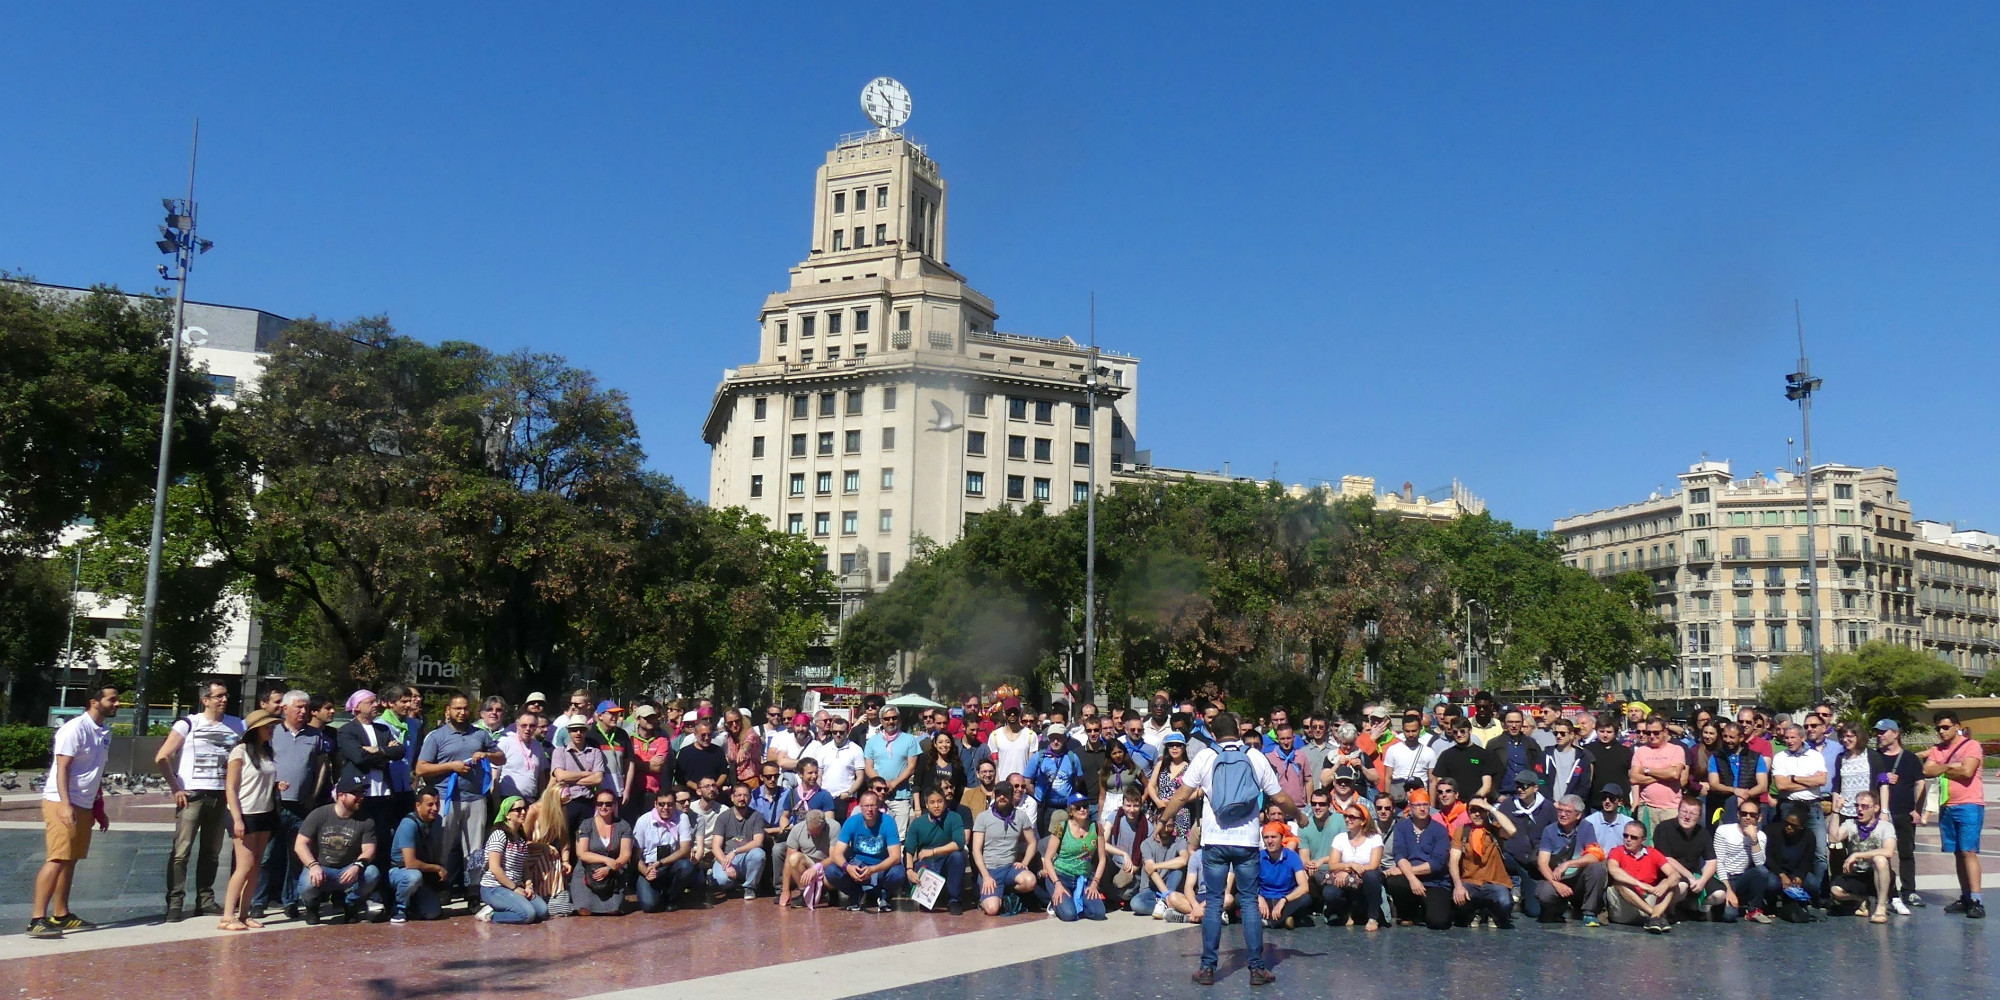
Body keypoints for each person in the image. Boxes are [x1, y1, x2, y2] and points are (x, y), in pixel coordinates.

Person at [1159, 711, 1300, 987]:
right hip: (1247, 841)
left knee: (1213, 902)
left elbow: (1181, 795)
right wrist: (1300, 816)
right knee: (1248, 902)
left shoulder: (1206, 756)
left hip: (1215, 840)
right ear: (1237, 730)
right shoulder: (1255, 756)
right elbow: (1280, 796)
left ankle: (1208, 968)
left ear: (1213, 733)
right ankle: (1257, 969)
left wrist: (1164, 819)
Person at [29, 685, 117, 939]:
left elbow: (95, 772)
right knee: (57, 857)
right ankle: (36, 918)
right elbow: (62, 768)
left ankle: (61, 914)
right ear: (94, 702)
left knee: (70, 859)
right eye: (112, 700)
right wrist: (66, 805)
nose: (117, 704)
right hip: (61, 801)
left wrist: (97, 807)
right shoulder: (74, 729)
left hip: (85, 803)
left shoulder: (103, 731)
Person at [155, 679, 245, 921]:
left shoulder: (236, 726)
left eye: (225, 696)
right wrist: (176, 787)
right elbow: (162, 756)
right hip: (193, 794)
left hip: (221, 794)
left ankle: (205, 899)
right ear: (205, 700)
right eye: (218, 696)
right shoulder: (188, 723)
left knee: (212, 852)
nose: (224, 700)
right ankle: (175, 902)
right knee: (181, 851)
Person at [415, 692, 503, 905]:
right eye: (457, 708)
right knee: (444, 845)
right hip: (446, 797)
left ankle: (473, 890)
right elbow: (421, 768)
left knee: (474, 848)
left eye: (465, 708)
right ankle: (441, 887)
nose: (462, 712)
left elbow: (501, 757)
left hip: (475, 798)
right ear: (448, 711)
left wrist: (487, 755)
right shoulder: (436, 737)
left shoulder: (480, 735)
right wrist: (450, 766)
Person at [254, 689, 324, 920]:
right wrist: (272, 784)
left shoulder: (315, 736)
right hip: (272, 805)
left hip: (301, 806)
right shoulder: (272, 733)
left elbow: (322, 765)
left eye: (306, 707)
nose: (303, 711)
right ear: (285, 708)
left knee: (297, 856)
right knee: (266, 856)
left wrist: (313, 794)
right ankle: (259, 901)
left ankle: (291, 900)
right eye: (298, 707)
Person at [220, 709, 282, 931]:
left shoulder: (267, 752)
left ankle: (244, 914)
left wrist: (277, 786)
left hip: (264, 812)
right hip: (244, 813)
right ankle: (228, 916)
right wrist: (237, 819)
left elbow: (261, 780)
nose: (272, 729)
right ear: (256, 729)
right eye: (268, 726)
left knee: (256, 865)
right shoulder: (240, 751)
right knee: (244, 865)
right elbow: (231, 786)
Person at [1923, 710, 1985, 918]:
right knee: (1957, 852)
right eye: (1938, 728)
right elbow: (1927, 771)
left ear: (1957, 726)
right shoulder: (1937, 749)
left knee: (1969, 851)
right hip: (1947, 806)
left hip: (1969, 804)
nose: (1941, 731)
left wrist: (1941, 767)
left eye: (1945, 727)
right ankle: (1966, 896)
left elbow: (1967, 772)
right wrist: (1951, 766)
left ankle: (1977, 900)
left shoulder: (1971, 745)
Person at [296, 776, 381, 924]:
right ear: (341, 796)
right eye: (356, 793)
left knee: (372, 873)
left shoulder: (366, 820)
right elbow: (300, 844)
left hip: (347, 870)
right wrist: (313, 865)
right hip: (321, 868)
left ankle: (350, 904)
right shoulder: (319, 814)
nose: (360, 797)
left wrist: (357, 866)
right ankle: (312, 907)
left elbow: (369, 850)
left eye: (362, 793)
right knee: (306, 884)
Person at [1871, 718, 1926, 912]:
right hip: (1880, 815)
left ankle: (1909, 890)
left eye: (1883, 732)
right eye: (1878, 732)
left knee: (1906, 852)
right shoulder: (1874, 757)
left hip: (1904, 812)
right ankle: (1885, 890)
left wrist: (1917, 809)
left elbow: (1920, 783)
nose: (1879, 735)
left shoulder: (1910, 758)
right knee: (1881, 854)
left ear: (1896, 733)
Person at [1770, 720, 1829, 897]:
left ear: (1802, 738)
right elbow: (1781, 785)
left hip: (1813, 807)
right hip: (1789, 806)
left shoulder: (1815, 756)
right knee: (1786, 850)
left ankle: (1816, 895)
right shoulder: (1780, 757)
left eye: (1793, 737)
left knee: (1819, 853)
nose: (1789, 741)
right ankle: (1787, 892)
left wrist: (1794, 779)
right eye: (1786, 738)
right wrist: (1808, 781)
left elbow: (1821, 781)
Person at [1384, 789, 1454, 930]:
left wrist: (1408, 873)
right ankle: (1408, 913)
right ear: (1410, 807)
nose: (1422, 808)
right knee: (1394, 881)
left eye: (1426, 805)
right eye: (1418, 805)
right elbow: (1400, 855)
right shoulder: (1402, 827)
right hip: (1410, 880)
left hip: (1435, 881)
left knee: (1437, 923)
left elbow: (1437, 863)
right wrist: (1412, 879)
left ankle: (1429, 908)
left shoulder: (1440, 830)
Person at [828, 790, 908, 912]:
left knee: (898, 872)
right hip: (857, 866)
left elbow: (896, 856)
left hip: (880, 867)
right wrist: (847, 867)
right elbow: (837, 853)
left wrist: (873, 870)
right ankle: (855, 894)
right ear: (860, 807)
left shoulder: (888, 822)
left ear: (878, 806)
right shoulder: (852, 821)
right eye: (866, 806)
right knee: (831, 870)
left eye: (872, 805)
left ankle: (884, 895)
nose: (869, 809)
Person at [1534, 794, 1606, 926]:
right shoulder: (1549, 831)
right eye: (1560, 811)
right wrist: (1556, 884)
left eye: (1568, 812)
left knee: (1597, 868)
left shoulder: (1586, 827)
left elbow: (1595, 856)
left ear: (1578, 815)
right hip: (1558, 878)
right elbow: (1542, 863)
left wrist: (1569, 863)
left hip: (1578, 877)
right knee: (1543, 893)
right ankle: (1559, 909)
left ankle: (1589, 912)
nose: (1562, 815)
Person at [1605, 819, 1689, 932]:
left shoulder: (1653, 853)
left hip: (1646, 899)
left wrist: (1666, 884)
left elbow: (1675, 875)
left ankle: (1654, 918)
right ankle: (1656, 916)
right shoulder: (1616, 851)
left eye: (1633, 837)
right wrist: (1640, 884)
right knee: (1620, 883)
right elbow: (1614, 871)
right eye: (1626, 835)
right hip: (1624, 907)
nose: (1628, 839)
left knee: (1670, 883)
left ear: (1643, 840)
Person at [971, 781, 1041, 915]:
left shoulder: (1020, 816)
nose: (1002, 797)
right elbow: (976, 850)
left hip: (1010, 868)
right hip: (990, 870)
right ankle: (989, 897)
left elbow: (1032, 842)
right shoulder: (983, 817)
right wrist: (985, 876)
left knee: (1030, 881)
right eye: (998, 794)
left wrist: (1024, 863)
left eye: (1006, 794)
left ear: (1012, 796)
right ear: (994, 795)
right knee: (992, 910)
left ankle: (1005, 893)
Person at [478, 795, 550, 924]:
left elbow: (525, 866)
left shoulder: (520, 838)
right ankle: (490, 914)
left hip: (515, 886)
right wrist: (514, 888)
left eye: (524, 808)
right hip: (494, 887)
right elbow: (495, 868)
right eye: (517, 809)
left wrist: (529, 886)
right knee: (527, 915)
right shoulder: (499, 834)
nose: (523, 812)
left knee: (542, 911)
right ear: (507, 814)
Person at [1449, 797, 1518, 929]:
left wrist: (1490, 807)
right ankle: (1476, 911)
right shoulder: (1462, 831)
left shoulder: (1495, 829)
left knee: (1505, 903)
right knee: (1458, 903)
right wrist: (1458, 886)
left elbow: (1512, 830)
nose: (1477, 814)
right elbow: (1453, 861)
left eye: (1481, 810)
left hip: (1495, 882)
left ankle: (1492, 912)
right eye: (1473, 810)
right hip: (1471, 882)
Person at [1828, 790, 1896, 923]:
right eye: (1857, 806)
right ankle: (1861, 900)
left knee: (1880, 859)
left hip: (1879, 873)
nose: (1860, 810)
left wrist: (1857, 855)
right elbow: (1833, 838)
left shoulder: (1885, 827)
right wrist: (1836, 811)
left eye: (1865, 806)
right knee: (1835, 890)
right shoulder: (1850, 824)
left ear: (1876, 808)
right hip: (1857, 874)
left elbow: (1889, 851)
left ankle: (1881, 907)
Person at [1652, 795, 1718, 921]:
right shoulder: (1664, 828)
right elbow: (1666, 858)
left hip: (1694, 876)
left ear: (1699, 817)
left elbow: (1711, 860)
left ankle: (1689, 907)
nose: (1687, 817)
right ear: (1678, 810)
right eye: (1684, 812)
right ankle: (1669, 911)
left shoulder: (1703, 833)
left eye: (1693, 814)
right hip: (1670, 874)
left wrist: (1703, 880)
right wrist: (1690, 877)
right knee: (1681, 886)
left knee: (1719, 895)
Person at [388, 788, 449, 923]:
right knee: (413, 877)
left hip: (423, 872)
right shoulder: (408, 824)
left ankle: (413, 903)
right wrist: (437, 869)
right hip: (400, 871)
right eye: (430, 804)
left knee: (432, 913)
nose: (435, 808)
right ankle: (398, 908)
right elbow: (410, 863)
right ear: (418, 805)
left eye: (437, 804)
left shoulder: (437, 821)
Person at [1045, 794, 1109, 921]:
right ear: (1071, 811)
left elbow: (1102, 858)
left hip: (1083, 878)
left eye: (1085, 806)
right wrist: (1057, 884)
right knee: (1069, 915)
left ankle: (1076, 900)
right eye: (1078, 807)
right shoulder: (1062, 827)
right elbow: (1047, 859)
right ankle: (1057, 903)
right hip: (1061, 876)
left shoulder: (1096, 827)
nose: (1082, 810)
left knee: (1098, 913)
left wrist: (1095, 883)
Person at [1499, 773, 1553, 919]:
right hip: (1510, 857)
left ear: (1535, 787)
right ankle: (1502, 896)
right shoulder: (1508, 805)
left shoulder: (1547, 808)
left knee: (1534, 911)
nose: (1520, 789)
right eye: (1518, 785)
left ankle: (1525, 896)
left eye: (1525, 786)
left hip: (1532, 863)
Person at [633, 790, 698, 912]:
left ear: (674, 804)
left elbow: (685, 850)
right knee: (649, 906)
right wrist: (646, 871)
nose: (666, 808)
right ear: (655, 804)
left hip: (670, 864)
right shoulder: (643, 820)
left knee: (686, 866)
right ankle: (658, 894)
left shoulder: (682, 818)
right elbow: (636, 855)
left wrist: (661, 862)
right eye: (661, 804)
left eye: (670, 804)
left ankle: (671, 898)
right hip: (649, 866)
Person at [905, 788, 968, 913]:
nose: (936, 806)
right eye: (932, 802)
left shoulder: (954, 817)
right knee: (925, 906)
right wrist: (909, 870)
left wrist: (933, 851)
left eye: (940, 801)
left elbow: (959, 843)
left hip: (946, 860)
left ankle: (954, 900)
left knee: (958, 856)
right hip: (927, 864)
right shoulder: (918, 823)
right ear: (927, 805)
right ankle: (926, 899)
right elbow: (909, 849)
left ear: (945, 802)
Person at [1322, 802, 1384, 929]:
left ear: (1362, 821)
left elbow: (1373, 865)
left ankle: (1373, 918)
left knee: (1371, 876)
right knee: (1329, 892)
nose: (1347, 819)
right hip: (1346, 879)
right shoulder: (1340, 838)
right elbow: (1332, 865)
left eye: (1352, 817)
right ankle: (1345, 913)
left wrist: (1349, 870)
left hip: (1365, 878)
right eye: (1346, 816)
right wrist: (1350, 865)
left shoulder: (1374, 838)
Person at [572, 789, 634, 915]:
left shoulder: (623, 826)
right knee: (585, 911)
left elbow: (625, 855)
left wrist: (609, 868)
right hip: (586, 872)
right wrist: (606, 860)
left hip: (612, 873)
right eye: (600, 803)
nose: (604, 807)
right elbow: (582, 853)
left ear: (614, 805)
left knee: (613, 911)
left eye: (608, 803)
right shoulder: (586, 824)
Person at [1713, 798, 1776, 923]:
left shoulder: (1761, 836)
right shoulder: (1724, 830)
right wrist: (1728, 890)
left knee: (1762, 872)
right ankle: (1719, 907)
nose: (1747, 817)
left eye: (1752, 815)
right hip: (1724, 878)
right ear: (1738, 815)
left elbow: (1759, 864)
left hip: (1742, 877)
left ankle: (1753, 910)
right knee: (1729, 916)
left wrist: (1754, 840)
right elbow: (1718, 863)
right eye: (1744, 814)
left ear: (1759, 818)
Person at [1627, 716, 1687, 841]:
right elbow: (1633, 778)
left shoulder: (1676, 750)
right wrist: (1664, 776)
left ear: (1665, 732)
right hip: (1647, 808)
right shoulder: (1641, 751)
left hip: (1671, 809)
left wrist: (1647, 770)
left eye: (1656, 732)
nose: (1652, 736)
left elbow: (1675, 774)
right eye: (1648, 733)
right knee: (1647, 847)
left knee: (1671, 846)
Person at [708, 782, 768, 901]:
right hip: (726, 857)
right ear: (732, 797)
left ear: (750, 798)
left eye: (745, 795)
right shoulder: (723, 817)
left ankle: (749, 887)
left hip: (746, 857)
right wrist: (726, 864)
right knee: (722, 881)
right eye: (738, 795)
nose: (742, 798)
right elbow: (715, 846)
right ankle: (728, 883)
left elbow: (758, 842)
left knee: (759, 854)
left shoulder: (757, 816)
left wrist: (735, 851)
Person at [552, 720, 608, 844]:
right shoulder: (559, 752)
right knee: (564, 841)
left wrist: (571, 779)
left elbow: (598, 778)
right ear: (568, 731)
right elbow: (560, 776)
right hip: (566, 803)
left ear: (586, 731)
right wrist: (585, 774)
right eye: (574, 730)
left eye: (581, 730)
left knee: (585, 841)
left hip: (587, 803)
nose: (578, 733)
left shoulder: (595, 752)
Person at [1706, 722, 1768, 828]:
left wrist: (1744, 796)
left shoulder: (1756, 757)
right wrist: (1734, 791)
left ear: (1741, 738)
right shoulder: (1716, 757)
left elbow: (1762, 786)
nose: (1727, 740)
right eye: (1725, 736)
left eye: (1731, 737)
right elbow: (1714, 784)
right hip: (1723, 805)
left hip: (1749, 808)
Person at [1100, 787, 1151, 909]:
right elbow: (1102, 842)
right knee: (1099, 855)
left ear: (1141, 806)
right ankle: (1109, 893)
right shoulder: (1115, 816)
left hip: (1133, 867)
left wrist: (1130, 869)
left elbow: (1144, 858)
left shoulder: (1147, 827)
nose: (1131, 810)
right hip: (1115, 862)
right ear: (1122, 805)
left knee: (1125, 892)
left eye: (1136, 806)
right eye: (1128, 805)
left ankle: (1122, 894)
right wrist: (1123, 854)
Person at [778, 808, 835, 908]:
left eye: (817, 832)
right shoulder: (797, 829)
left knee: (833, 873)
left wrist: (816, 868)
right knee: (794, 858)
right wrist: (785, 890)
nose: (814, 835)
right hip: (808, 864)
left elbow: (834, 857)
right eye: (811, 831)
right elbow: (788, 860)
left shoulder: (834, 827)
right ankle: (805, 893)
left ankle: (829, 893)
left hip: (827, 866)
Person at [1135, 819, 1190, 918]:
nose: (1165, 829)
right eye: (1163, 825)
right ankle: (1171, 906)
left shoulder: (1179, 841)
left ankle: (1165, 904)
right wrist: (1166, 896)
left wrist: (1156, 866)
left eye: (1170, 826)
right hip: (1152, 888)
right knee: (1136, 904)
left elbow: (1183, 860)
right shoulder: (1146, 844)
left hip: (1171, 886)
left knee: (1178, 870)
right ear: (1156, 824)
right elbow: (1151, 872)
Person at [1381, 712, 1439, 805]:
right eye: (1407, 731)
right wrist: (1388, 803)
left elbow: (1432, 781)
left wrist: (1432, 806)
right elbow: (1388, 778)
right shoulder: (1393, 750)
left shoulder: (1429, 752)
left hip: (1421, 800)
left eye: (1414, 731)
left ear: (1420, 729)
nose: (1411, 734)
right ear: (1403, 730)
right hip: (1398, 799)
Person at [1148, 732, 1194, 840]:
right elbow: (1151, 786)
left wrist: (1180, 800)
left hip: (1181, 813)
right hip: (1160, 810)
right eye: (1171, 745)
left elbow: (1198, 791)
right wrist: (1158, 802)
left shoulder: (1190, 767)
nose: (1174, 748)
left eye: (1178, 745)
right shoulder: (1161, 765)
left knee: (1180, 844)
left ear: (1184, 748)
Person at [495, 710, 549, 802]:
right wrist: (496, 803)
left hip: (531, 800)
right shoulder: (505, 743)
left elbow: (541, 777)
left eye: (532, 726)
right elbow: (494, 776)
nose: (527, 729)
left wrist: (542, 801)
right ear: (517, 725)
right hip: (508, 800)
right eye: (524, 725)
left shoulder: (538, 747)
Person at [1540, 717, 1594, 805]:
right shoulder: (1545, 754)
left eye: (1562, 733)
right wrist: (1549, 801)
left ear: (1571, 735)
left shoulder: (1582, 758)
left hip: (1572, 807)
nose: (1558, 736)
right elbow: (1540, 780)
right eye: (1555, 733)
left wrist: (1571, 804)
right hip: (1549, 805)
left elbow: (1584, 786)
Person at [1584, 714, 1633, 808]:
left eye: (1609, 732)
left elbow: (1630, 776)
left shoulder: (1625, 752)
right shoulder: (1587, 750)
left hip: (1620, 802)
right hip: (1595, 802)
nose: (1605, 735)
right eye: (1601, 731)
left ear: (1615, 732)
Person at [987, 702, 1037, 782]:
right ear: (1004, 713)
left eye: (1015, 712)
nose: (1012, 714)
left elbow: (1031, 765)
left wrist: (1026, 785)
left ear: (1020, 712)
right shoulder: (995, 735)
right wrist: (997, 784)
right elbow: (994, 763)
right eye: (1009, 712)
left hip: (1021, 786)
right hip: (1003, 784)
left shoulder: (1031, 735)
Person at [1583, 784, 1634, 852]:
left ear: (1620, 802)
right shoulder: (1589, 822)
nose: (1607, 801)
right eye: (1604, 798)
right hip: (1596, 860)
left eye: (1611, 798)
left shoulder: (1628, 823)